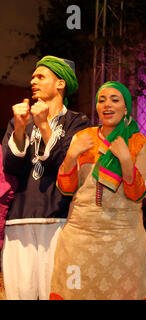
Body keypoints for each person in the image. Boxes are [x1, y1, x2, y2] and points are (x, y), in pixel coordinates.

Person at [49, 81, 146, 300]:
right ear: (96, 107)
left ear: (126, 108)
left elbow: (138, 195)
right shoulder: (82, 138)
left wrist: (125, 159)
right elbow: (66, 189)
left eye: (115, 100)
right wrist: (71, 156)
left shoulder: (139, 144)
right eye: (101, 100)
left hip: (124, 240)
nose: (107, 105)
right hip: (79, 238)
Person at [1, 56, 90, 300]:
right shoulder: (19, 119)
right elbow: (10, 167)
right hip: (18, 220)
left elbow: (63, 165)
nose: (32, 81)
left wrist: (42, 126)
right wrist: (20, 129)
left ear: (60, 83)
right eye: (32, 76)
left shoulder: (78, 123)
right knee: (20, 294)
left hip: (59, 221)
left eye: (40, 76)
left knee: (57, 292)